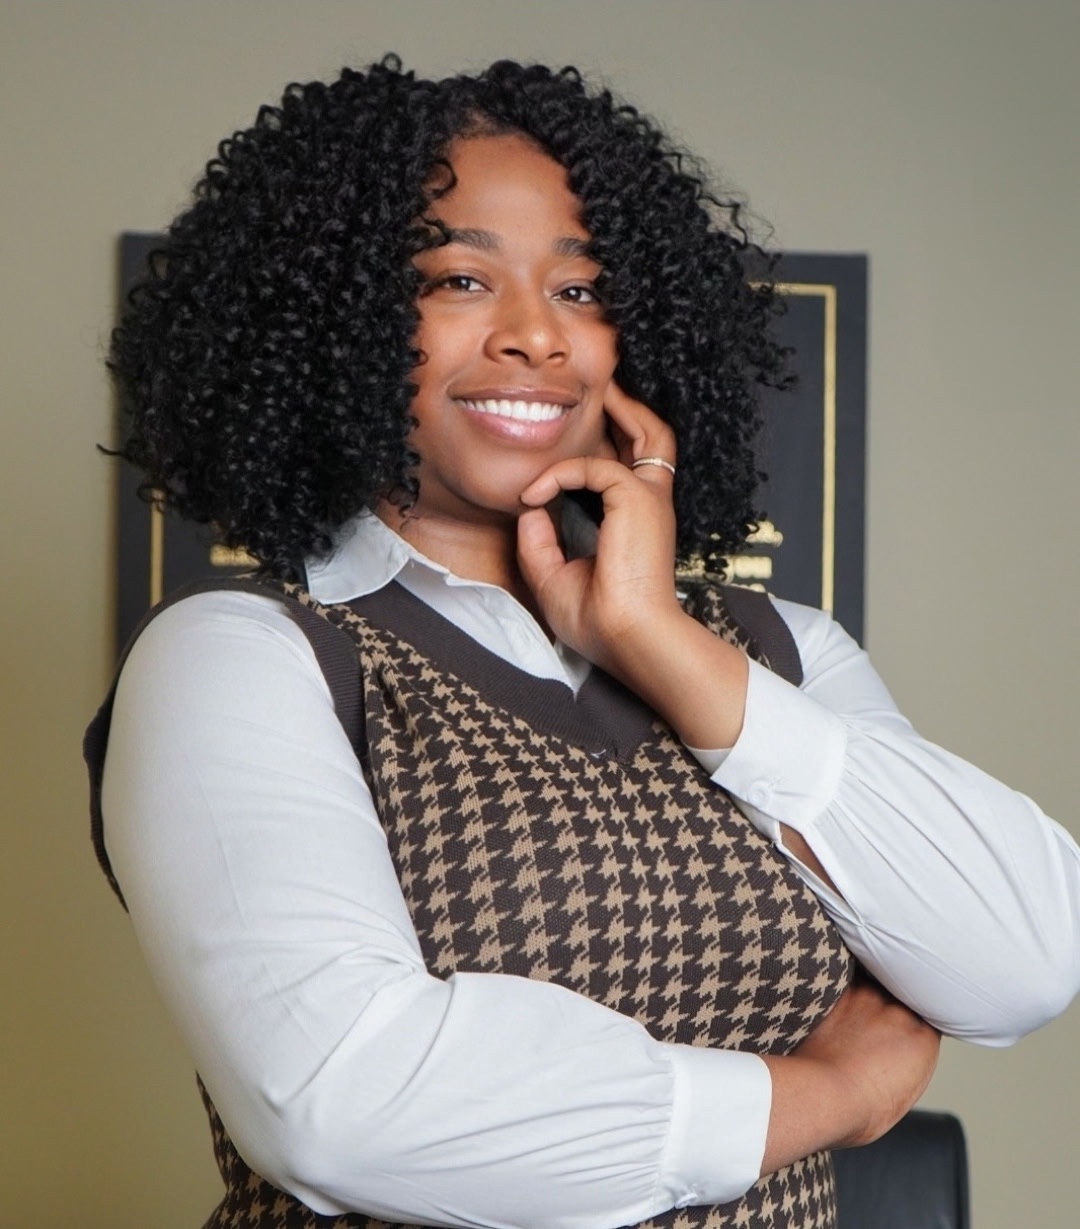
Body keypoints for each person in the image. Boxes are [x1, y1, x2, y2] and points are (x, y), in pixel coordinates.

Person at [87, 56, 1080, 1229]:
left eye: (580, 288)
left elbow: (1024, 956)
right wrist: (831, 1093)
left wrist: (656, 637)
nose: (534, 336)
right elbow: (344, 1101)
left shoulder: (780, 649)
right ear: (331, 323)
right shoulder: (242, 657)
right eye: (459, 279)